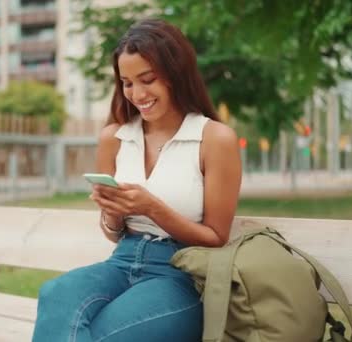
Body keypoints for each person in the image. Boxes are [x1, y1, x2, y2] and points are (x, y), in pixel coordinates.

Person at [32, 18, 242, 342]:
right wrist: (113, 213)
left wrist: (153, 208)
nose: (137, 94)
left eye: (147, 79)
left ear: (175, 74)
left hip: (180, 276)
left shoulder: (214, 138)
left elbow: (216, 237)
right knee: (55, 295)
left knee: (100, 335)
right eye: (127, 83)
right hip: (122, 261)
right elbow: (114, 234)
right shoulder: (114, 138)